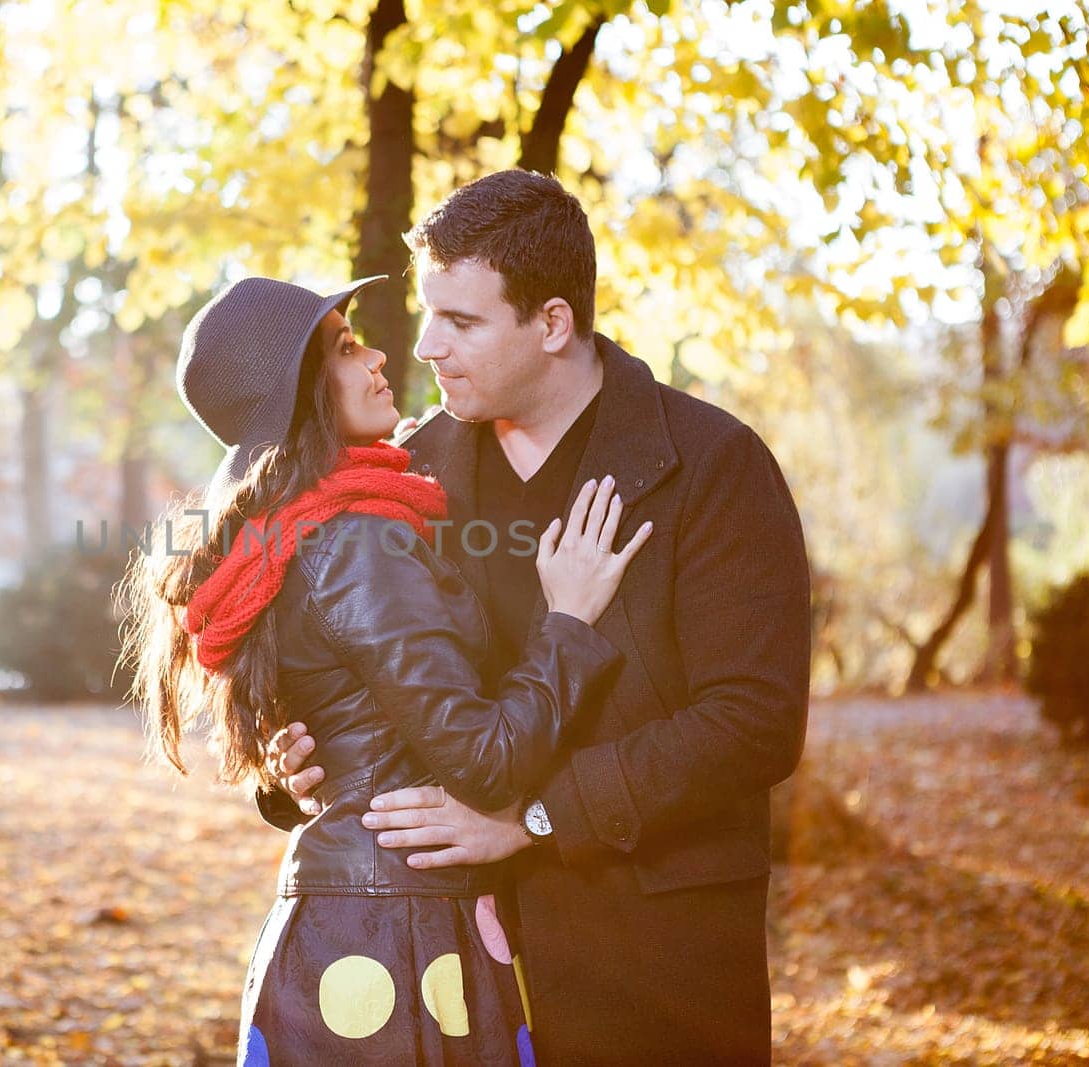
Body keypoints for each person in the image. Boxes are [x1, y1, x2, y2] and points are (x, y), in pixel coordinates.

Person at [265, 169, 813, 1065]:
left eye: (464, 322)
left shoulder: (715, 466)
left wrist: (536, 817)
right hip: (450, 973)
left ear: (553, 323)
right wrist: (309, 760)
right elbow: (379, 678)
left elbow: (753, 723)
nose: (429, 345)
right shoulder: (407, 475)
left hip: (654, 966)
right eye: (430, 313)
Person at [118, 273, 651, 1065]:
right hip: (399, 930)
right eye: (342, 347)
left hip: (344, 926)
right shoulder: (358, 537)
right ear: (300, 394)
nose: (375, 358)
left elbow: (333, 727)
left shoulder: (293, 529)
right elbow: (483, 757)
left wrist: (290, 776)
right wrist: (569, 621)